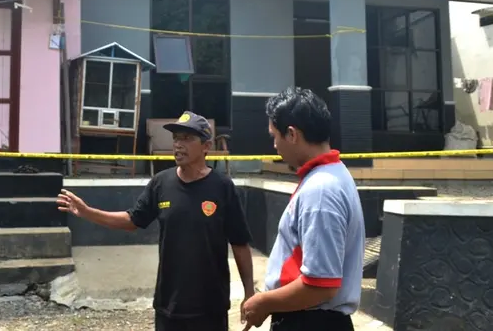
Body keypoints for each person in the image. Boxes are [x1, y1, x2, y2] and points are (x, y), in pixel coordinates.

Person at [58, 111, 256, 331]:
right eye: (176, 138)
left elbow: (239, 243)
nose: (179, 145)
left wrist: (249, 293)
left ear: (206, 146)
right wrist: (87, 212)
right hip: (169, 304)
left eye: (187, 139)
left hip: (210, 306)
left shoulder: (222, 187)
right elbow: (132, 220)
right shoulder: (161, 183)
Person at [241, 87, 364, 331]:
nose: (275, 146)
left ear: (292, 134)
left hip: (310, 322)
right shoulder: (331, 175)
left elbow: (322, 284)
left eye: (274, 136)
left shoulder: (320, 190)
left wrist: (264, 302)